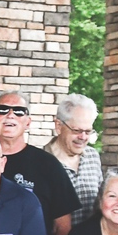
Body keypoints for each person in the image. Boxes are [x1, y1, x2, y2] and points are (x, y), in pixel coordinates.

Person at [0, 91, 79, 235]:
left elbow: (63, 226)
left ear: (28, 122)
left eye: (19, 111)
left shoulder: (48, 165)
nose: (10, 115)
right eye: (3, 109)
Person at [45, 94, 103, 227]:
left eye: (88, 131)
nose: (82, 137)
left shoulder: (93, 157)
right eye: (76, 130)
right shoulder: (42, 162)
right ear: (58, 126)